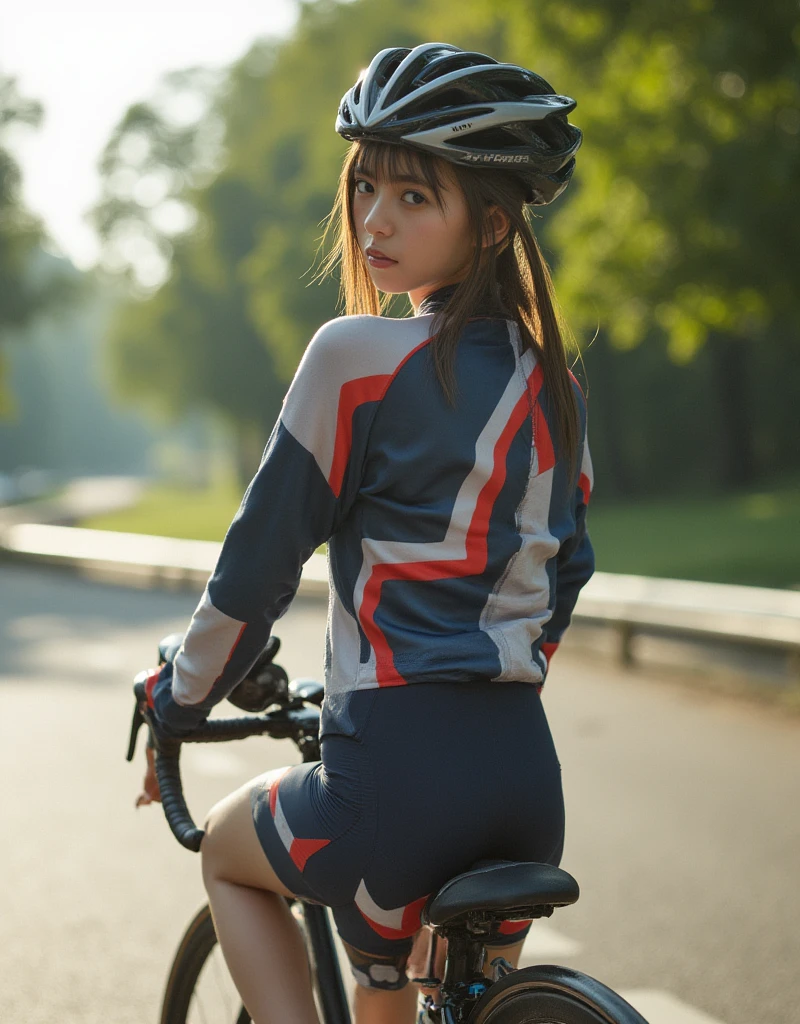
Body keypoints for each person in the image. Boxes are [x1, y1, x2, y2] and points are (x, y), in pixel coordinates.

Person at [137, 42, 594, 1024]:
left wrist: (177, 699)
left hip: (392, 777)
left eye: (414, 197)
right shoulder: (553, 386)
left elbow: (257, 564)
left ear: (491, 222)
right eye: (366, 188)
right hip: (522, 777)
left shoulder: (355, 357)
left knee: (228, 848)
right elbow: (564, 572)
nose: (374, 220)